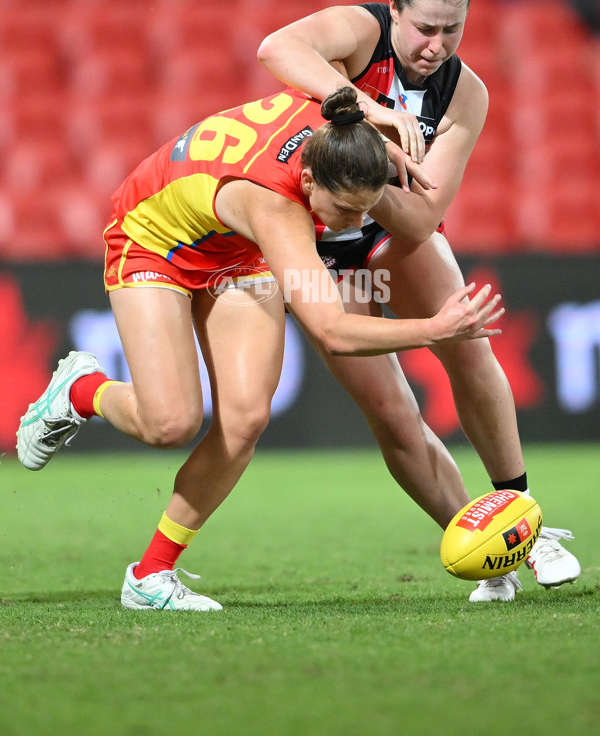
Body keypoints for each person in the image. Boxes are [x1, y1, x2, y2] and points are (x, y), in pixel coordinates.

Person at [17, 86, 504, 611]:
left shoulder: (342, 135)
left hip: (236, 247)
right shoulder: (276, 205)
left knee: (246, 419)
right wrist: (435, 328)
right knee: (169, 425)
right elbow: (334, 331)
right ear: (311, 180)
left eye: (365, 212)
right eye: (343, 209)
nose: (353, 225)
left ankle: (150, 575)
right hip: (155, 240)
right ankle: (80, 390)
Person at [257, 0, 581, 601]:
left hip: (389, 234)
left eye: (452, 31)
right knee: (396, 416)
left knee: (468, 347)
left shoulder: (466, 92)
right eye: (424, 27)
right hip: (314, 246)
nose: (435, 45)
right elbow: (276, 48)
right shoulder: (361, 33)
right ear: (394, 8)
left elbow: (424, 215)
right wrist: (364, 113)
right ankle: (491, 549)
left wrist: (381, 174)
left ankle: (525, 523)